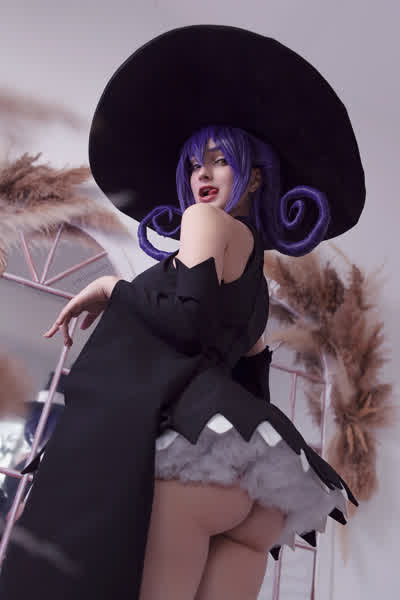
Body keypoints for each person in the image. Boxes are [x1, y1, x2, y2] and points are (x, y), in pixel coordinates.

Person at [0, 25, 365, 599]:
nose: (202, 174)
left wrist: (114, 287)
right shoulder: (254, 275)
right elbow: (250, 375)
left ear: (256, 175)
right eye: (195, 163)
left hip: (187, 473)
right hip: (252, 493)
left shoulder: (204, 223)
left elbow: (186, 319)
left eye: (221, 161)